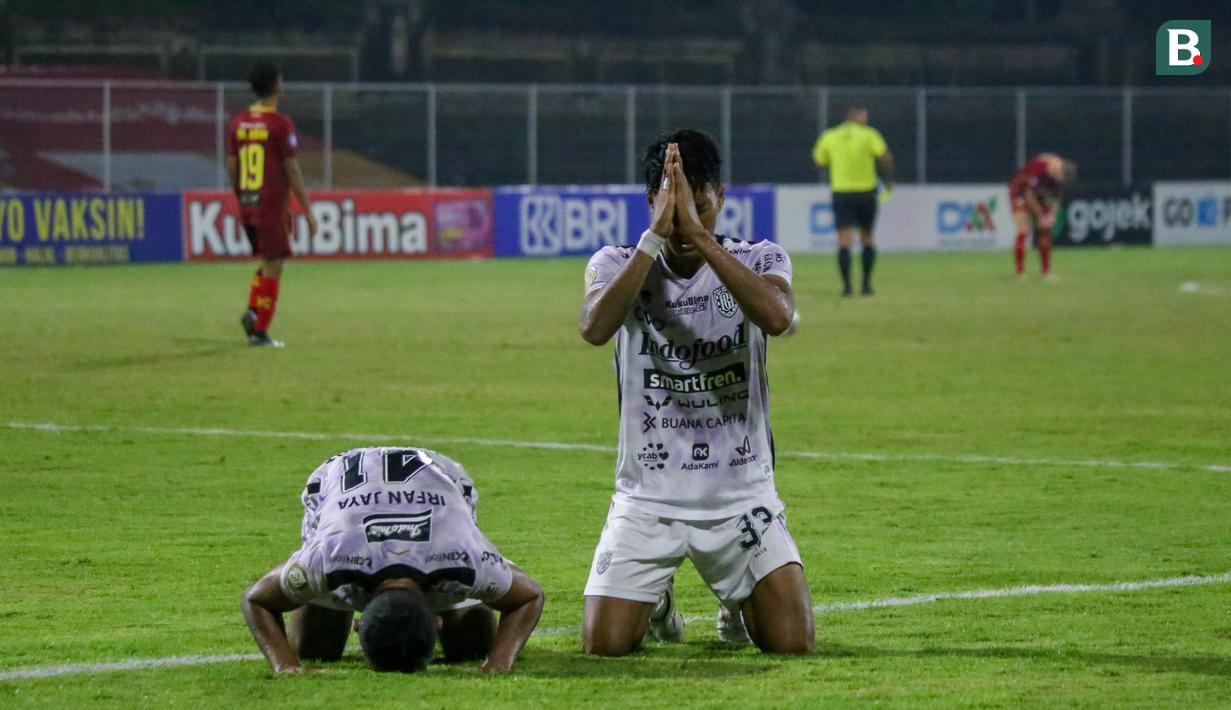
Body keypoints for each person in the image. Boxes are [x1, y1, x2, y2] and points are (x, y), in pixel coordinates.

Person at [577, 129, 814, 657]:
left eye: (700, 209)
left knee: (793, 645)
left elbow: (779, 317)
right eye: (676, 210)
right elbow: (594, 328)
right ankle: (658, 600)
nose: (687, 225)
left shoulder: (760, 256)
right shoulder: (616, 262)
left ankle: (737, 600)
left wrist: (702, 238)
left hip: (740, 496)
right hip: (648, 499)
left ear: (721, 198)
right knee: (603, 647)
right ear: (651, 202)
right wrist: (655, 238)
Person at [241, 446, 544, 674]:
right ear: (436, 621)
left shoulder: (462, 555)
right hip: (339, 487)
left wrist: (498, 662)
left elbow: (529, 596)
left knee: (473, 645)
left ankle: (465, 604)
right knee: (315, 648)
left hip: (437, 479)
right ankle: (336, 604)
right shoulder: (329, 556)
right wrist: (286, 665)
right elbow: (256, 600)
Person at [226, 61, 318, 348]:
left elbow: (232, 165)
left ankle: (252, 313)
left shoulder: (239, 122)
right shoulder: (280, 124)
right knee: (275, 263)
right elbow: (291, 168)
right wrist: (307, 209)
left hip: (249, 203)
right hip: (268, 205)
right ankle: (260, 330)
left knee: (268, 260)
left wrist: (243, 196)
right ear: (277, 84)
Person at [812, 104, 894, 296]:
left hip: (842, 192)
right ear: (857, 116)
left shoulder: (829, 135)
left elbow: (820, 162)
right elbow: (885, 157)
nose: (866, 119)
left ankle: (847, 287)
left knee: (844, 240)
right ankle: (866, 285)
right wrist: (888, 179)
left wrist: (839, 167)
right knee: (867, 238)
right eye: (864, 116)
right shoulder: (869, 134)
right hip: (866, 192)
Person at [1009, 153, 1076, 278]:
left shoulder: (1057, 173)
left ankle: (1045, 272)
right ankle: (1020, 272)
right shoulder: (1039, 169)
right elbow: (1029, 195)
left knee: (1045, 229)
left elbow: (1056, 199)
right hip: (1020, 191)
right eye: (1060, 177)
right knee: (1023, 229)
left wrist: (1052, 215)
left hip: (1039, 193)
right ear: (1057, 170)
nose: (1060, 180)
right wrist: (1041, 215)